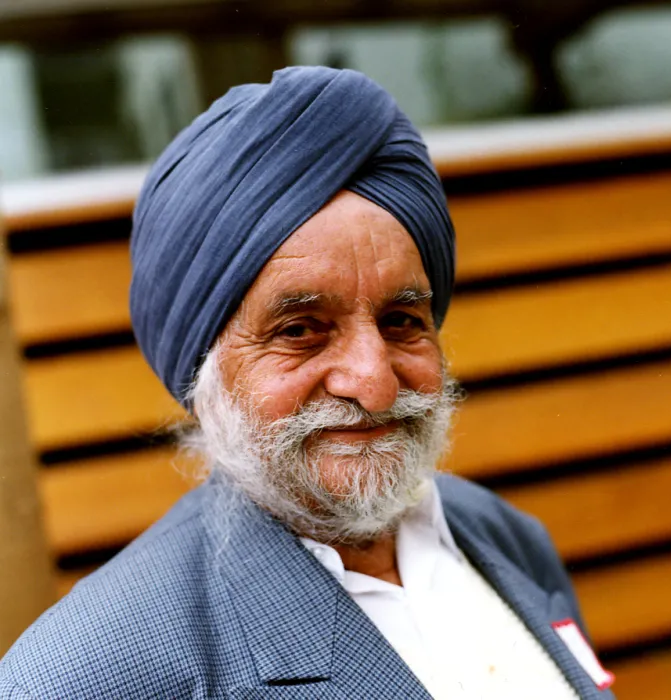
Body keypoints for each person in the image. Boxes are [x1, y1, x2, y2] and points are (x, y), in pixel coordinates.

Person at [0, 67, 615, 699]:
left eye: (402, 321)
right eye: (300, 330)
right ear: (203, 370)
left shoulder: (504, 536)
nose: (373, 385)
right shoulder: (85, 678)